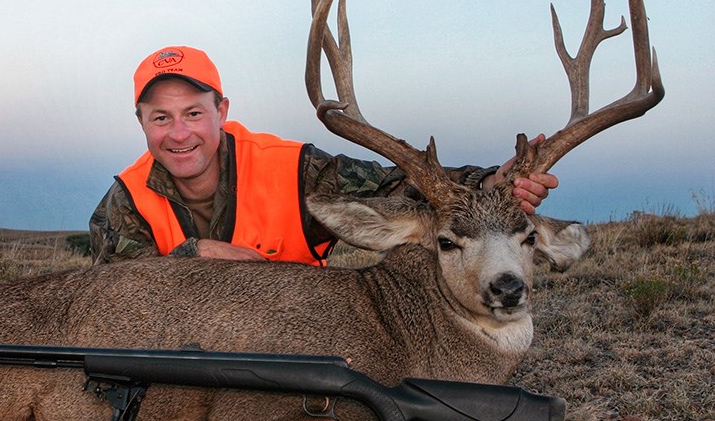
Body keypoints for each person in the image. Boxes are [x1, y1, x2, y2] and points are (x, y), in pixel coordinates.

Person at [89, 46, 558, 265]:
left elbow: (396, 186)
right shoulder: (126, 200)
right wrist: (197, 253)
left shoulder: (292, 169)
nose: (179, 134)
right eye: (161, 118)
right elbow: (117, 296)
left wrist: (490, 183)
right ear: (141, 123)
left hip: (295, 338)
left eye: (193, 113)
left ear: (222, 111)